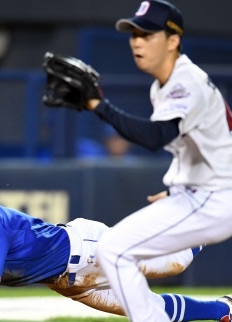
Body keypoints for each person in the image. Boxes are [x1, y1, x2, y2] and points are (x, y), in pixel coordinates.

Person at [0, 169, 232, 322]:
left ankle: (199, 205)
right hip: (64, 280)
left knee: (177, 263)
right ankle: (222, 310)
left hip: (89, 251)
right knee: (146, 313)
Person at [68, 1, 232, 321]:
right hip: (200, 192)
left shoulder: (185, 82)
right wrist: (179, 187)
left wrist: (98, 105)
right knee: (114, 250)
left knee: (114, 250)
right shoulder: (167, 85)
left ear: (173, 40)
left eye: (147, 33)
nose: (137, 41)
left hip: (215, 198)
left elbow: (156, 137)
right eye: (133, 34)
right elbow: (205, 141)